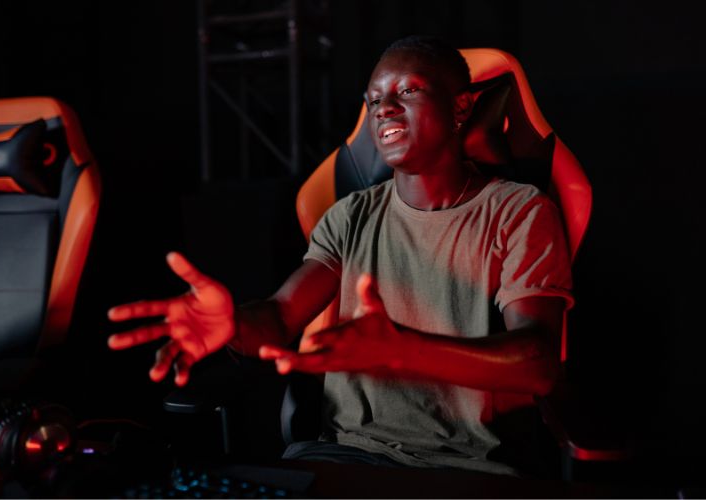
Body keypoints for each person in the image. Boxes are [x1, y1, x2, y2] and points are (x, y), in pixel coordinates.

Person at [108, 36, 573, 475]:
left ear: (460, 107)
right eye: (373, 100)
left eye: (408, 90)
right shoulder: (350, 216)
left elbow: (538, 362)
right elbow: (280, 316)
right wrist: (234, 326)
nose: (384, 107)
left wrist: (406, 351)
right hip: (346, 457)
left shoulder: (520, 211)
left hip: (468, 470)